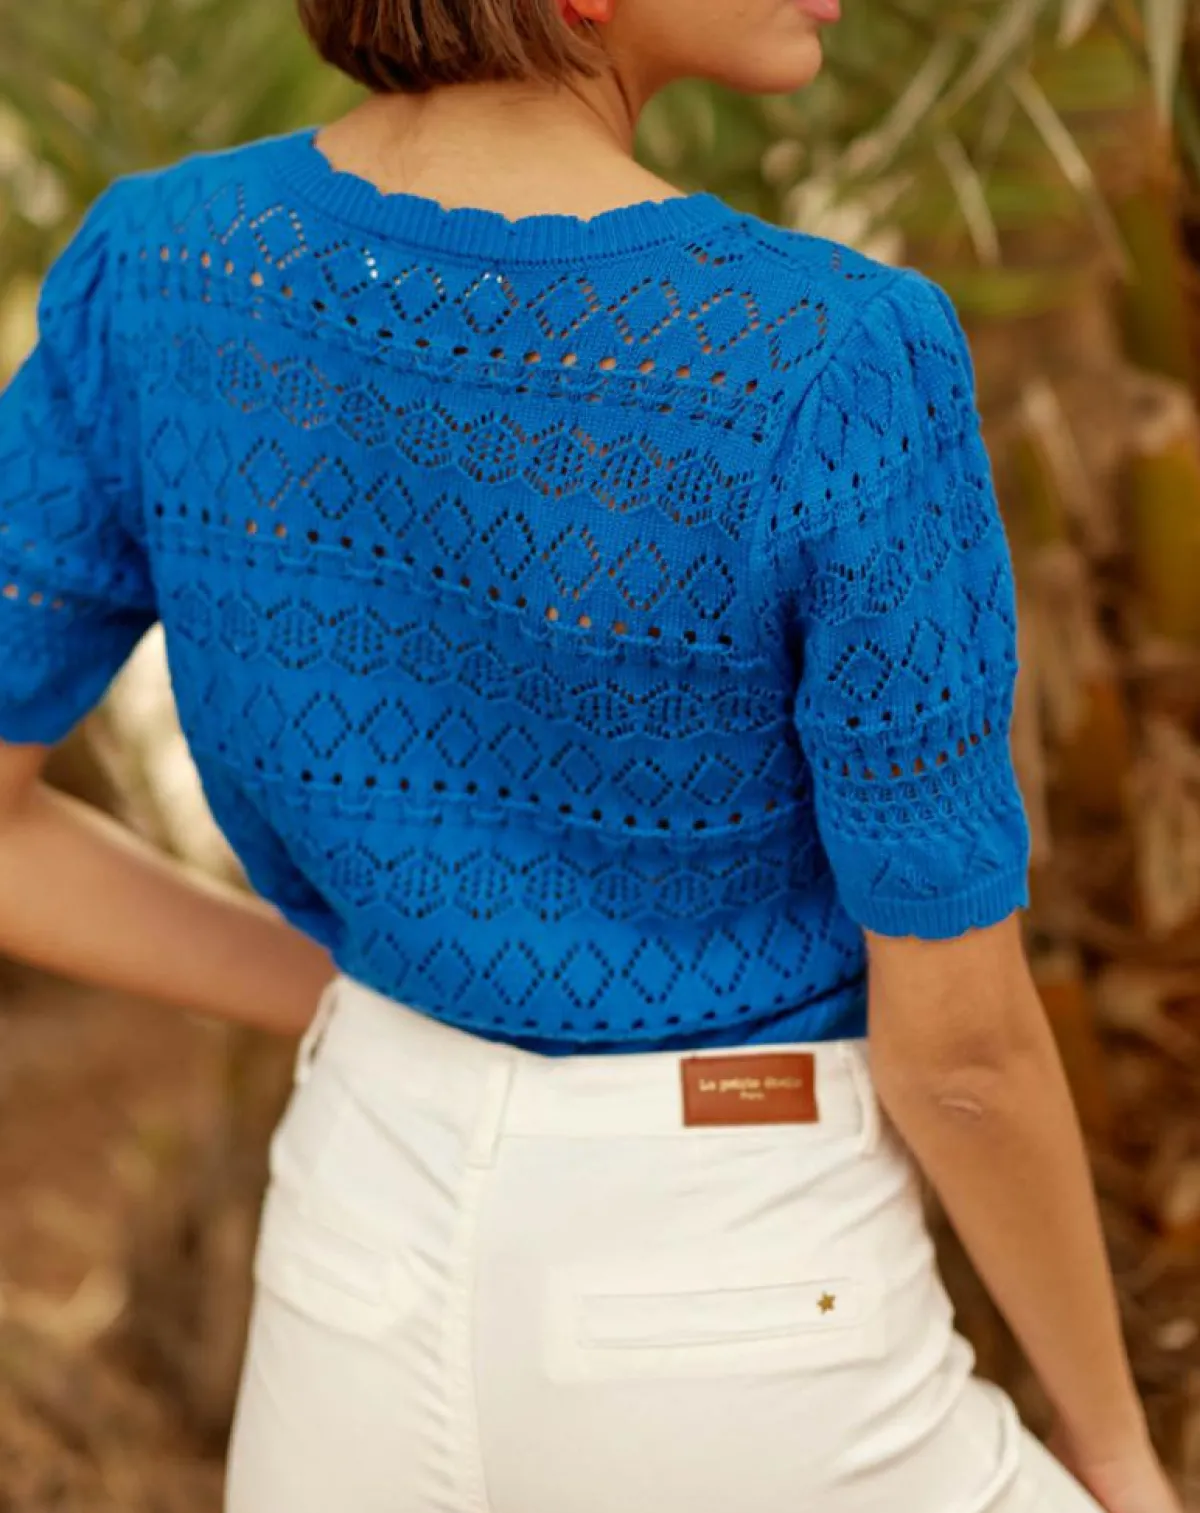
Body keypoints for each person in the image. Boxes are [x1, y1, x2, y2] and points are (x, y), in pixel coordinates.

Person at [0, 1, 1182, 1509]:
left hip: (351, 1267)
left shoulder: (163, 268)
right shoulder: (833, 358)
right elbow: (959, 1053)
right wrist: (1115, 1446)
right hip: (742, 1297)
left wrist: (366, 993)